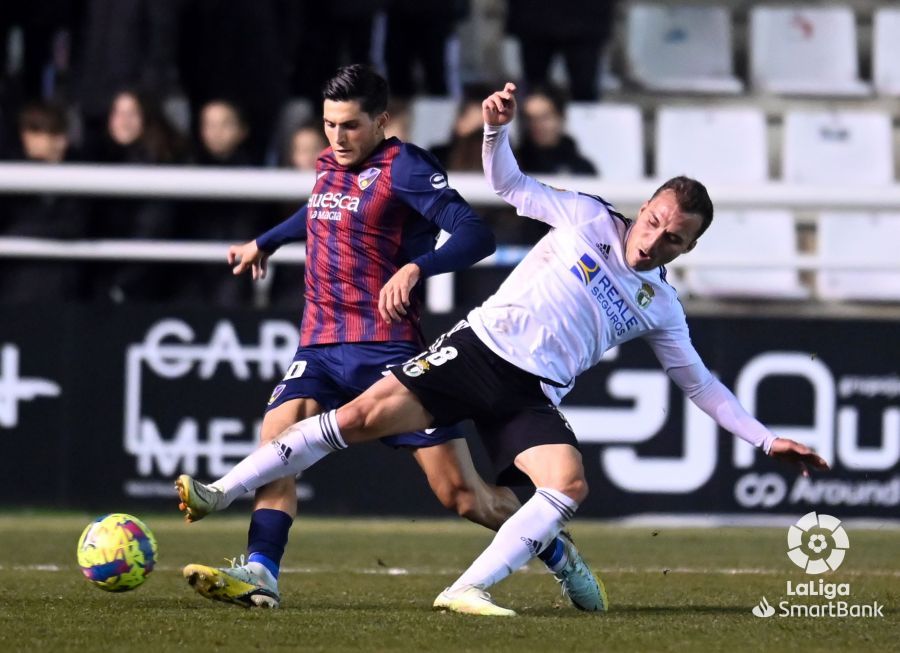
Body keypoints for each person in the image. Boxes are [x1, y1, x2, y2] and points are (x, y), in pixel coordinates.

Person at [176, 68, 603, 613]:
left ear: (381, 121)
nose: (337, 137)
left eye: (350, 126)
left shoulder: (407, 167)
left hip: (387, 349)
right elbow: (321, 211)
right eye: (329, 124)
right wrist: (266, 241)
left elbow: (477, 234)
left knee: (463, 496)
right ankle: (261, 572)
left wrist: (418, 267)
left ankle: (555, 548)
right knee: (276, 448)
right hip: (320, 343)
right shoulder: (330, 163)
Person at [516, 86, 596, 176]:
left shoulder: (582, 168)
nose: (536, 125)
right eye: (529, 118)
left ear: (561, 118)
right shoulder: (511, 164)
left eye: (544, 118)